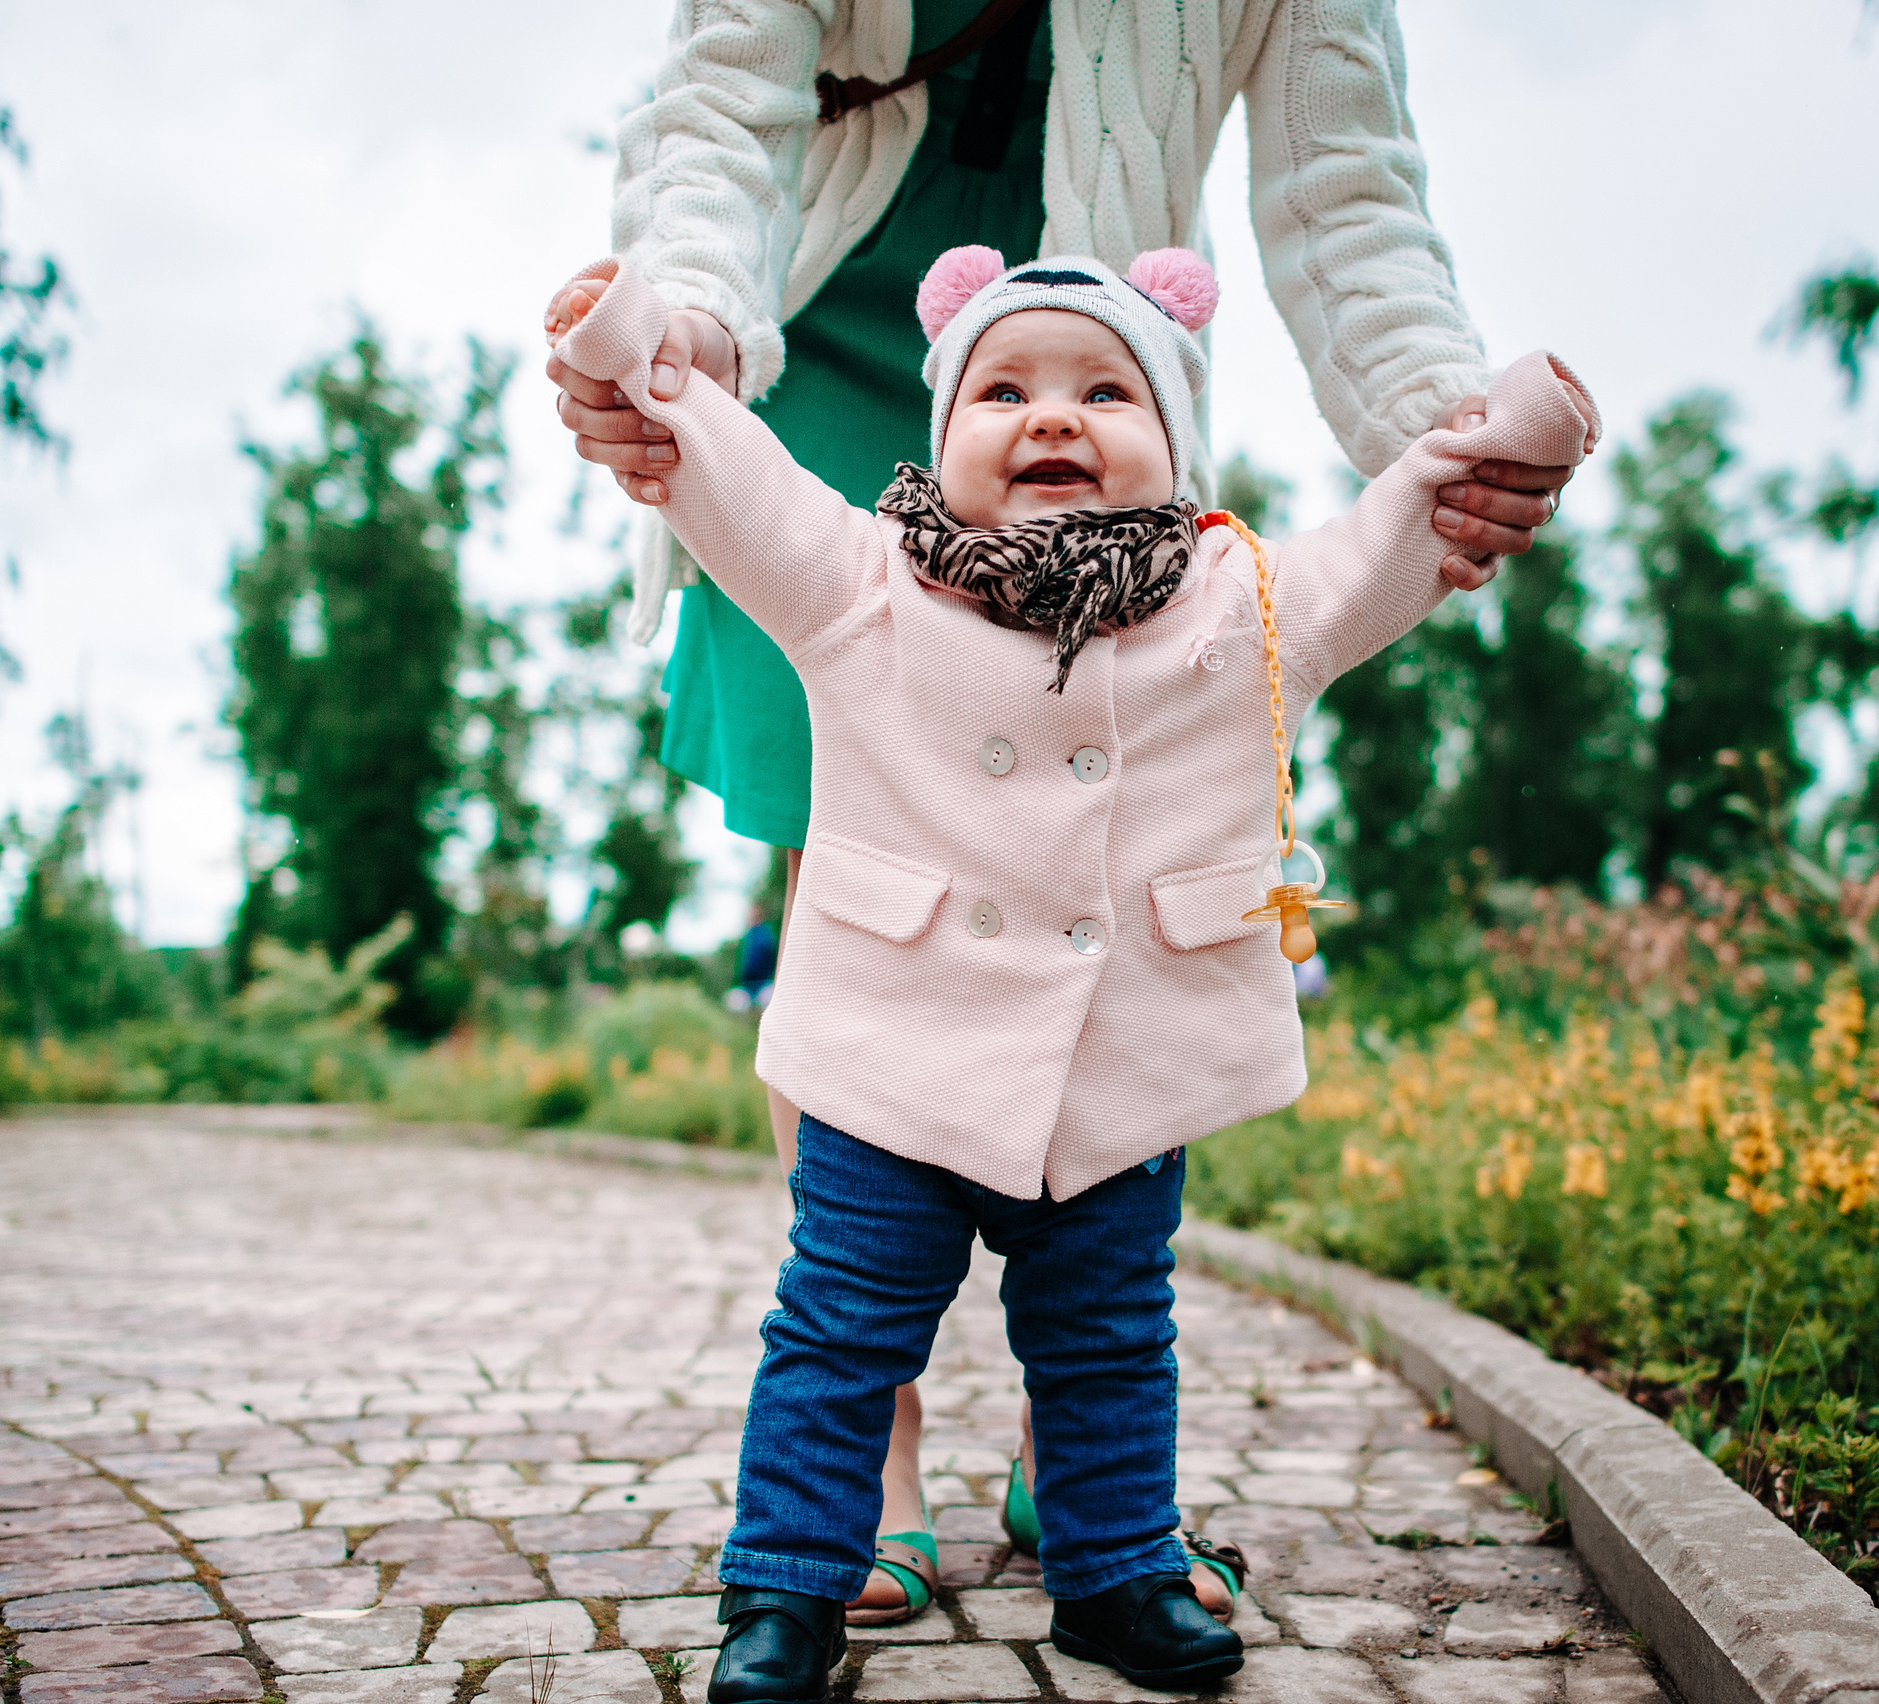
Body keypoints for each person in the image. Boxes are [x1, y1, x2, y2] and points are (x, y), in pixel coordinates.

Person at [550, 0, 1579, 1626]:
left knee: (1131, 810)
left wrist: (1442, 430)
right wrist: (679, 341)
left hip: (1110, 345)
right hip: (808, 310)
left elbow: (1346, 179)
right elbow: (721, 90)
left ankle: (1090, 1467)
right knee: (849, 854)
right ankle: (865, 1455)